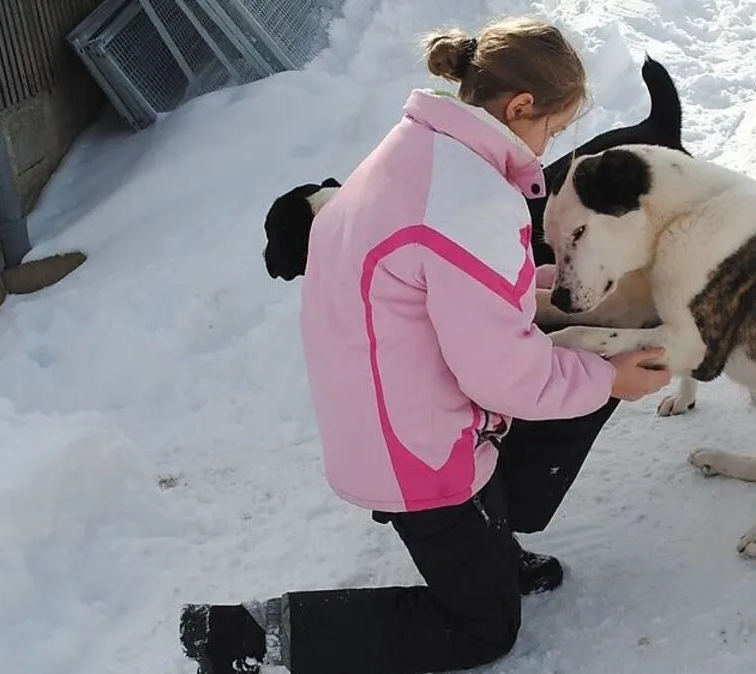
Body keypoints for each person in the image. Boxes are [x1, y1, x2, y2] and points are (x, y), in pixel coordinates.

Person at [179, 15, 671, 674]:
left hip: (390, 412)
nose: (549, 144)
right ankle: (244, 634)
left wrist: (569, 284)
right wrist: (610, 379)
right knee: (484, 629)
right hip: (419, 455)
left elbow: (450, 291)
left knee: (561, 383)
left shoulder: (418, 148)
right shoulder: (468, 204)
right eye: (552, 129)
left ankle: (490, 550)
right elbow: (508, 377)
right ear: (520, 106)